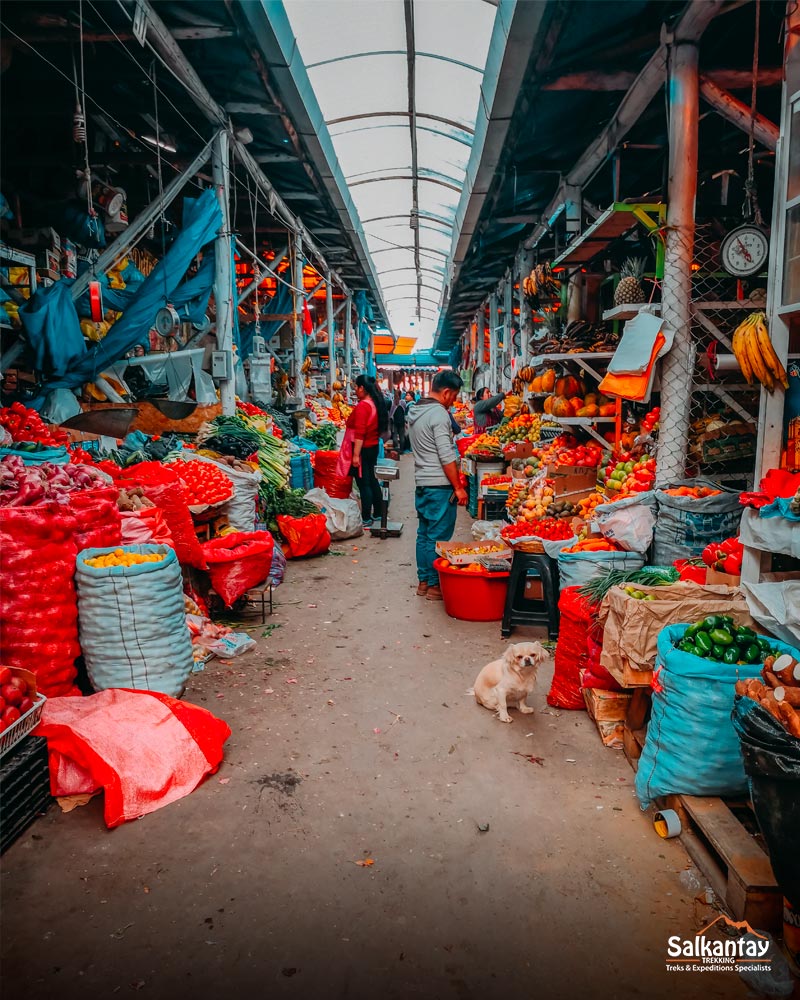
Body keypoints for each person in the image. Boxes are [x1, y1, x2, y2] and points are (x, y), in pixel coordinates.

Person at [407, 370, 467, 601]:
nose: (454, 401)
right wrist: (458, 487)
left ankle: (423, 581)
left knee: (424, 534)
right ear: (446, 392)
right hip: (439, 485)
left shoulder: (416, 411)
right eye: (454, 396)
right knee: (438, 537)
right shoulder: (438, 415)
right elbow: (446, 455)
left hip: (422, 483)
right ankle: (434, 585)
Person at [347, 374, 388, 528]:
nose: (355, 390)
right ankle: (378, 513)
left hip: (363, 448)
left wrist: (356, 455)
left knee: (364, 483)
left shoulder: (363, 406)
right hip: (372, 447)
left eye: (356, 387)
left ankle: (366, 518)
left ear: (362, 388)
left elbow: (360, 433)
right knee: (372, 480)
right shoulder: (375, 403)